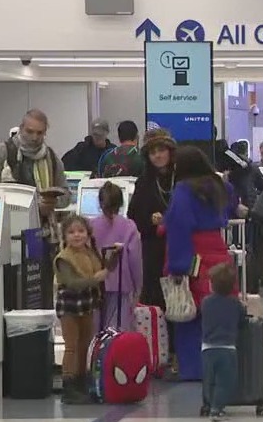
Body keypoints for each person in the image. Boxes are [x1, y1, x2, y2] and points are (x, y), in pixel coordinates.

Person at [164, 146, 240, 381]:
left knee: (188, 314)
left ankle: (193, 369)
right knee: (217, 313)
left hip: (195, 255)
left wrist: (177, 266)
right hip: (219, 252)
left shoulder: (183, 191)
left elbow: (179, 226)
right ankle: (223, 369)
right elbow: (231, 206)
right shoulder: (220, 187)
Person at [127, 129, 177, 374]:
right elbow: (133, 216)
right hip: (153, 250)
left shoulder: (182, 179)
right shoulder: (144, 182)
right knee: (155, 299)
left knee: (179, 299)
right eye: (153, 152)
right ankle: (155, 353)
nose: (158, 156)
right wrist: (150, 220)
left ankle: (177, 352)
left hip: (178, 246)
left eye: (162, 150)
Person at [54, 214, 109, 404]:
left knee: (84, 343)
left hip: (86, 304)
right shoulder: (63, 258)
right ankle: (68, 386)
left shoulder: (90, 253)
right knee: (71, 345)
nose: (76, 235)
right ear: (65, 236)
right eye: (71, 232)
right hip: (69, 305)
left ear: (87, 233)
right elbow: (72, 283)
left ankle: (80, 381)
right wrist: (96, 279)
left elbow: (103, 270)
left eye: (80, 231)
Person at [90, 181, 143, 332]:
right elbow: (135, 260)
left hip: (96, 285)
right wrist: (138, 286)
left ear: (100, 203)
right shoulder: (129, 226)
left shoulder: (90, 226)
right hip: (122, 285)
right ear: (121, 202)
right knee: (117, 331)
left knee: (96, 331)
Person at [0, 109, 70, 216]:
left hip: (43, 224)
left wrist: (53, 202)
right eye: (29, 131)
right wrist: (33, 205)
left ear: (45, 132)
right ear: (21, 129)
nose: (34, 137)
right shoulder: (3, 152)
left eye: (39, 133)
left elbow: (66, 195)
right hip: (8, 221)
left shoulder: (52, 158)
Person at [201, 262, 245, 422]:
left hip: (207, 348)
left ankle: (209, 402)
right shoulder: (235, 304)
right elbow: (242, 320)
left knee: (209, 379)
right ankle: (217, 408)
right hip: (227, 348)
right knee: (225, 381)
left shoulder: (205, 302)